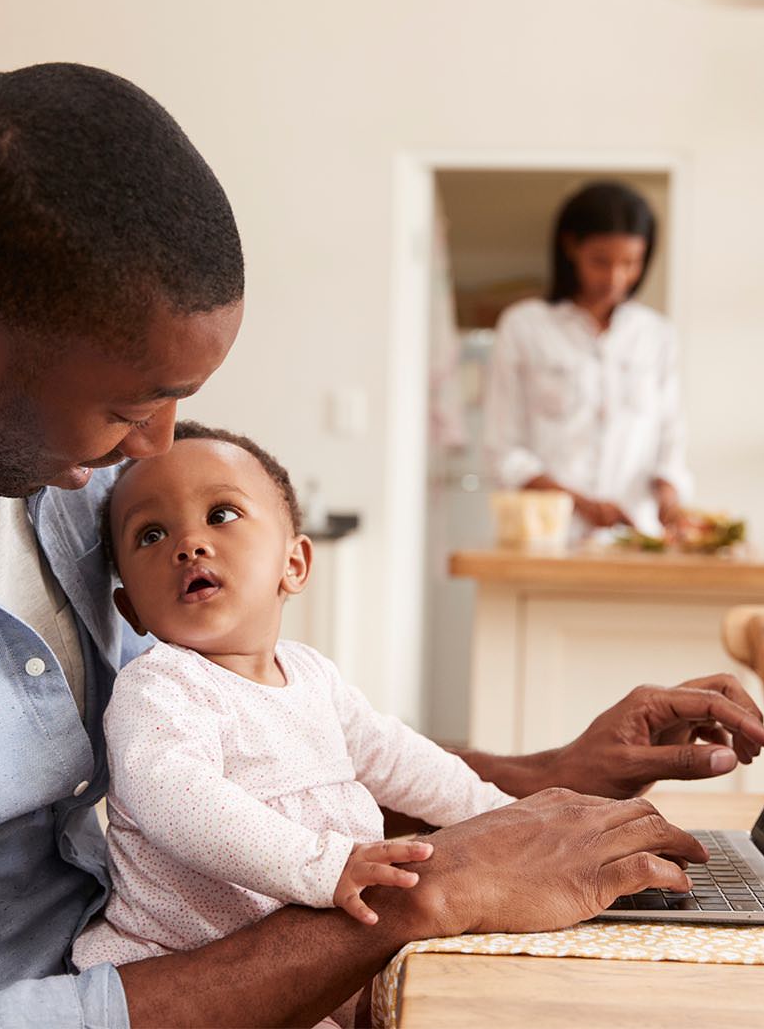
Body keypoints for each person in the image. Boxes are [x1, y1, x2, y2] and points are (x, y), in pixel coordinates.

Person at [0, 64, 764, 1027]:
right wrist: (431, 896)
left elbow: (248, 750)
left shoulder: (19, 396)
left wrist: (541, 779)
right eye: (130, 407)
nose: (154, 449)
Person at [74, 422, 517, 988]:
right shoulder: (159, 687)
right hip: (184, 971)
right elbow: (177, 802)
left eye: (221, 515)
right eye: (152, 535)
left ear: (295, 564)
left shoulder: (312, 676)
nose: (189, 544)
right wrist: (321, 864)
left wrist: (500, 815)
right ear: (131, 609)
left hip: (309, 952)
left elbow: (401, 759)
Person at [483, 180, 693, 535]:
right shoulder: (525, 327)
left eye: (630, 263)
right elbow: (502, 451)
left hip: (637, 540)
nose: (615, 278)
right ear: (570, 247)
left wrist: (670, 501)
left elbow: (670, 440)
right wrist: (580, 505)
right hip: (548, 538)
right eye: (600, 261)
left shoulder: (656, 336)